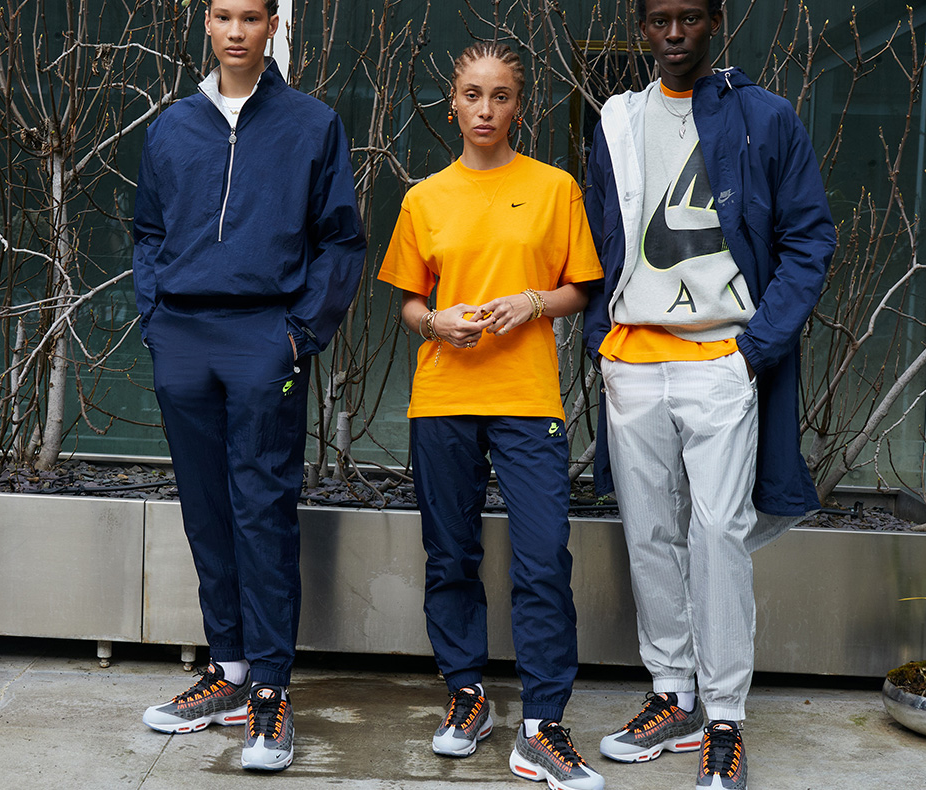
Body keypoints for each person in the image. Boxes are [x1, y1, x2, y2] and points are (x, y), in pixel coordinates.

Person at [581, 1, 835, 788]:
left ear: (716, 21)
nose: (673, 33)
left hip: (722, 358)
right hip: (634, 359)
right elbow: (600, 234)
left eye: (689, 17)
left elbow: (809, 238)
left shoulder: (766, 117)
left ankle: (725, 716)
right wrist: (601, 339)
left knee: (719, 532)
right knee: (649, 531)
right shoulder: (617, 121)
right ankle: (673, 695)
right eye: (659, 19)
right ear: (641, 26)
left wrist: (753, 352)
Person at [131, 0, 365, 773]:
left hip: (266, 338)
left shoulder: (311, 124)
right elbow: (148, 232)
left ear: (273, 27)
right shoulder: (172, 127)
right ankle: (227, 671)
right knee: (206, 509)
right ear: (206, 23)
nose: (237, 31)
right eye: (224, 16)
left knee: (261, 510)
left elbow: (340, 241)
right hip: (184, 340)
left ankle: (270, 688)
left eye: (251, 17)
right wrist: (155, 320)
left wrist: (299, 334)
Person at [376, 41, 607, 790]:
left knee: (543, 560)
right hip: (444, 397)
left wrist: (533, 302)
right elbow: (410, 301)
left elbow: (580, 286)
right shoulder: (424, 199)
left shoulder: (554, 188)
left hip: (526, 400)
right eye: (472, 94)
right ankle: (466, 693)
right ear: (453, 104)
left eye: (500, 96)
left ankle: (542, 726)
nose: (485, 109)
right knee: (450, 556)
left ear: (518, 107)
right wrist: (434, 322)